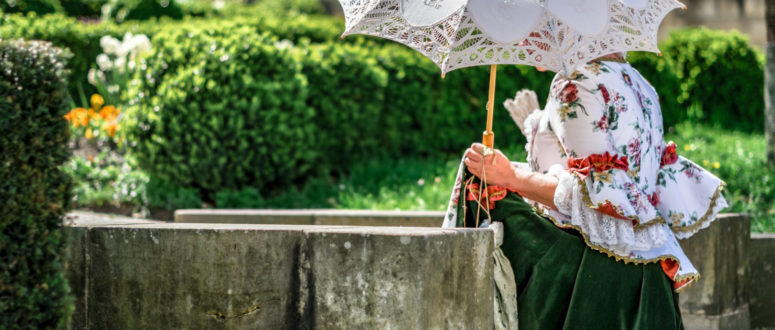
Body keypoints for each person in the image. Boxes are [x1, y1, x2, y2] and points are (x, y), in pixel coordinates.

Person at [444, 52, 728, 329]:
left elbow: (592, 193)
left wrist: (508, 176)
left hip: (596, 279)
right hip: (648, 273)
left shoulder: (574, 82)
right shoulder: (637, 81)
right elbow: (612, 178)